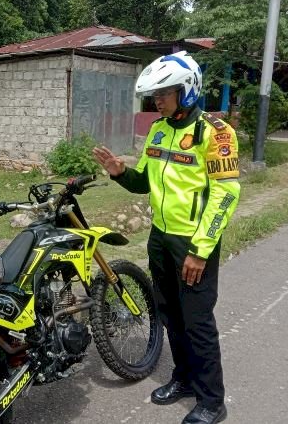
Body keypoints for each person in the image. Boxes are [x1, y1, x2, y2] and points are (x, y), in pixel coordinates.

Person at [93, 51, 240, 424]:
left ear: (186, 90)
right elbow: (144, 181)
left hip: (193, 243)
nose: (157, 101)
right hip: (160, 239)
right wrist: (119, 172)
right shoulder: (158, 130)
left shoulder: (216, 134)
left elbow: (226, 195)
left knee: (197, 321)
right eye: (154, 95)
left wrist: (200, 250)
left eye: (164, 93)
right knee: (171, 315)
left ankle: (212, 400)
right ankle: (184, 379)